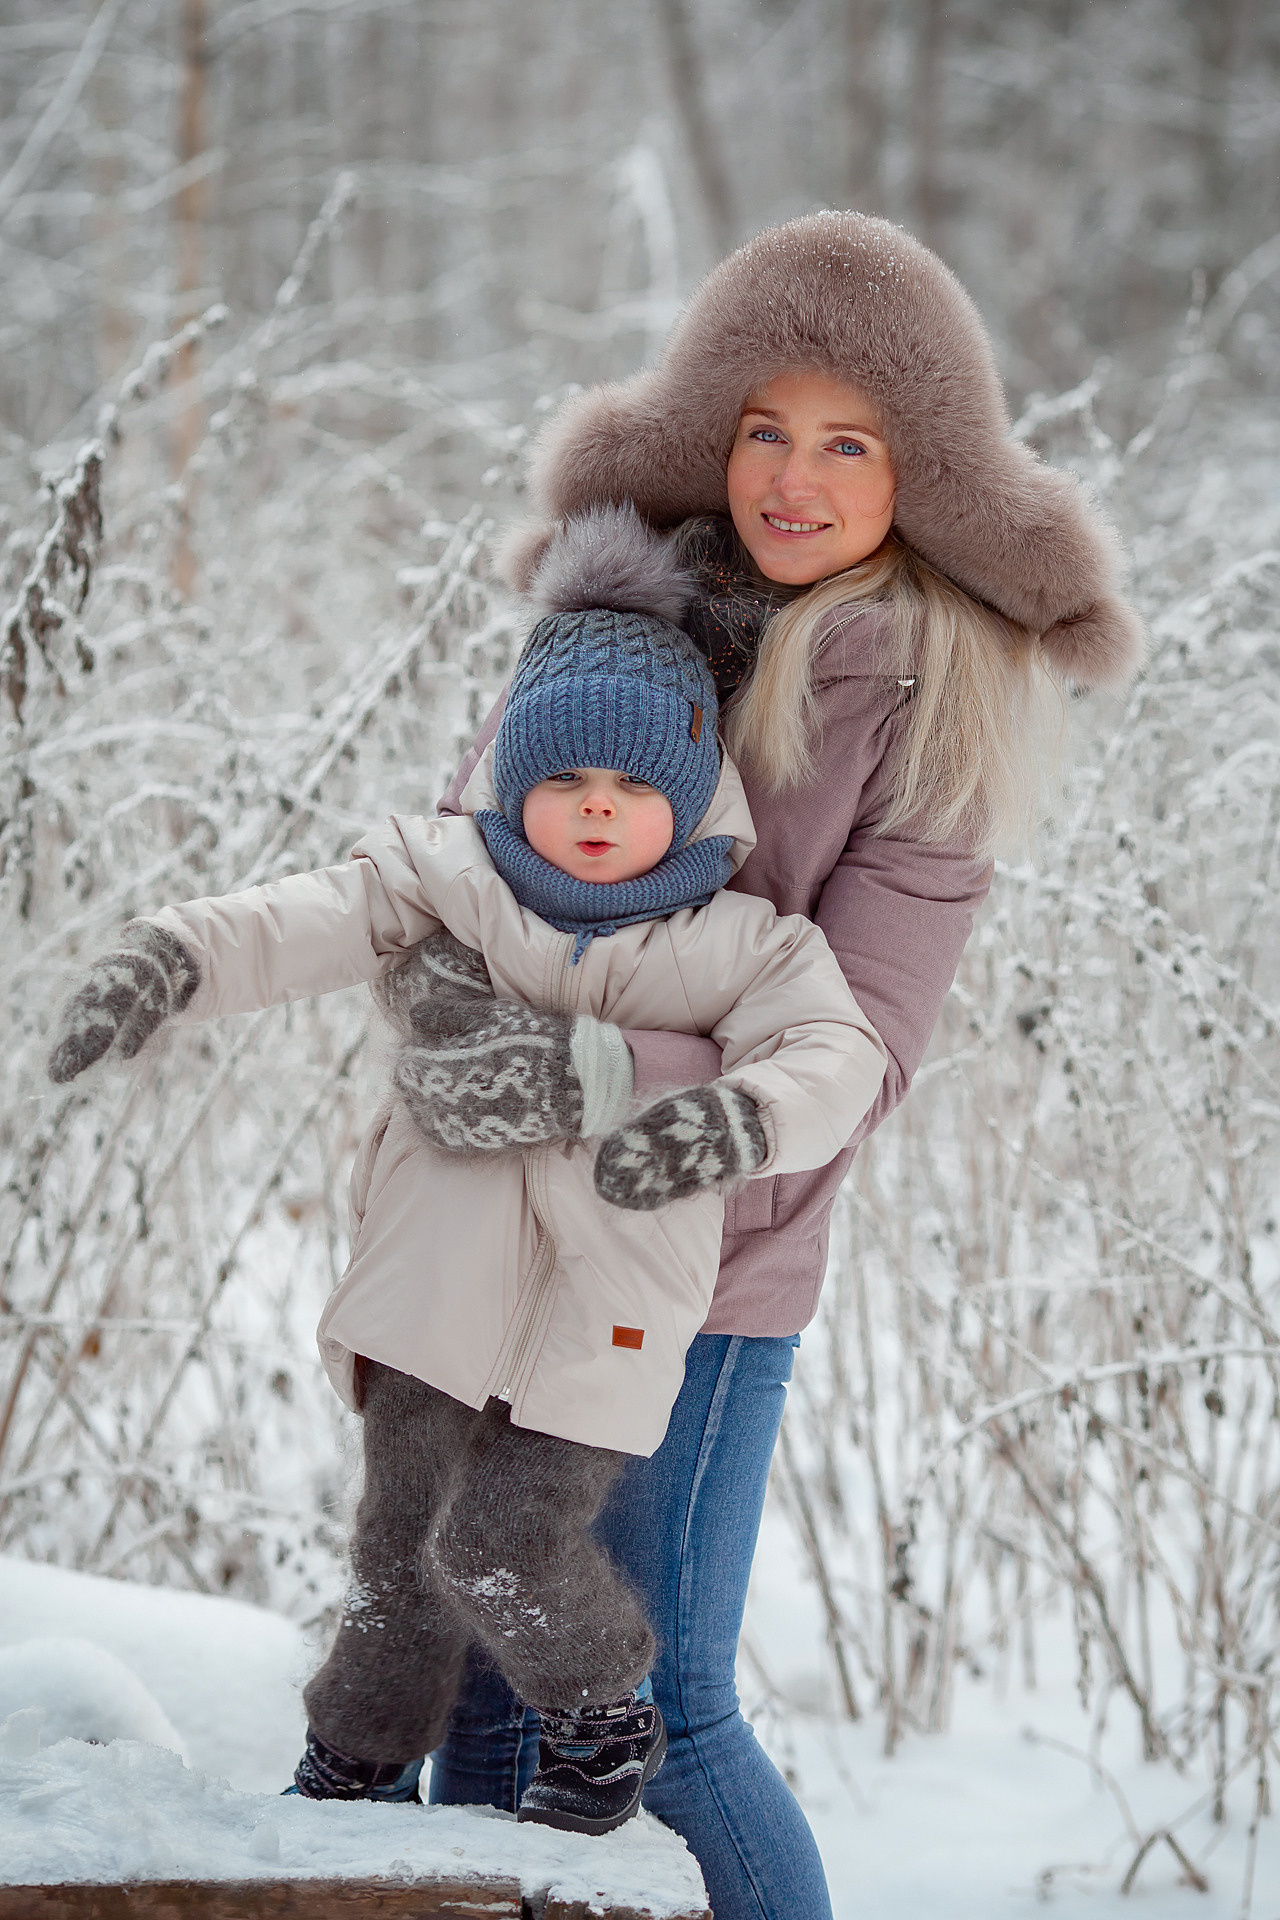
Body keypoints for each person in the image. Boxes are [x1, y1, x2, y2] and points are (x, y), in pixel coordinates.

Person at [410, 212, 1144, 1917]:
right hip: (500, 1238)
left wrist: (581, 1076)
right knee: (484, 1706)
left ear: (922, 472)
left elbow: (857, 1050)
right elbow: (463, 881)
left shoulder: (933, 704)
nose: (792, 479)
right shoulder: (614, 622)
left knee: (660, 1713)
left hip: (709, 1265)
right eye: (762, 428)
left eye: (848, 443)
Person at [44, 508, 887, 1837]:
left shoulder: (736, 943)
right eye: (566, 780)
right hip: (430, 1307)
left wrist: (737, 1120)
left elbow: (837, 1051)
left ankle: (602, 1715)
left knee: (497, 1545)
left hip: (602, 1323)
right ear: (512, 776)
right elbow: (303, 916)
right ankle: (353, 1764)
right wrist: (174, 957)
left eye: (633, 787)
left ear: (690, 794)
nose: (597, 809)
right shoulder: (450, 879)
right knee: (395, 1564)